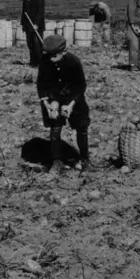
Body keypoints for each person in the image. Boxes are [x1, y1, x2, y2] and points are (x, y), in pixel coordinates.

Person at [37, 34, 91, 174]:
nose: (51, 59)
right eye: (49, 55)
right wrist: (47, 104)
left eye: (54, 56)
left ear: (64, 52)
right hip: (54, 97)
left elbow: (80, 86)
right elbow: (42, 84)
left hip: (74, 97)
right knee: (55, 128)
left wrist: (70, 105)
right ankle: (56, 161)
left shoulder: (73, 62)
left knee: (81, 127)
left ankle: (84, 159)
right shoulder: (45, 61)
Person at [21, 0, 46, 67]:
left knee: (37, 44)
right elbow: (23, 11)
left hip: (36, 25)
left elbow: (41, 11)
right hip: (28, 24)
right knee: (30, 43)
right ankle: (33, 62)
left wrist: (36, 24)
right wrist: (23, 24)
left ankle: (40, 62)